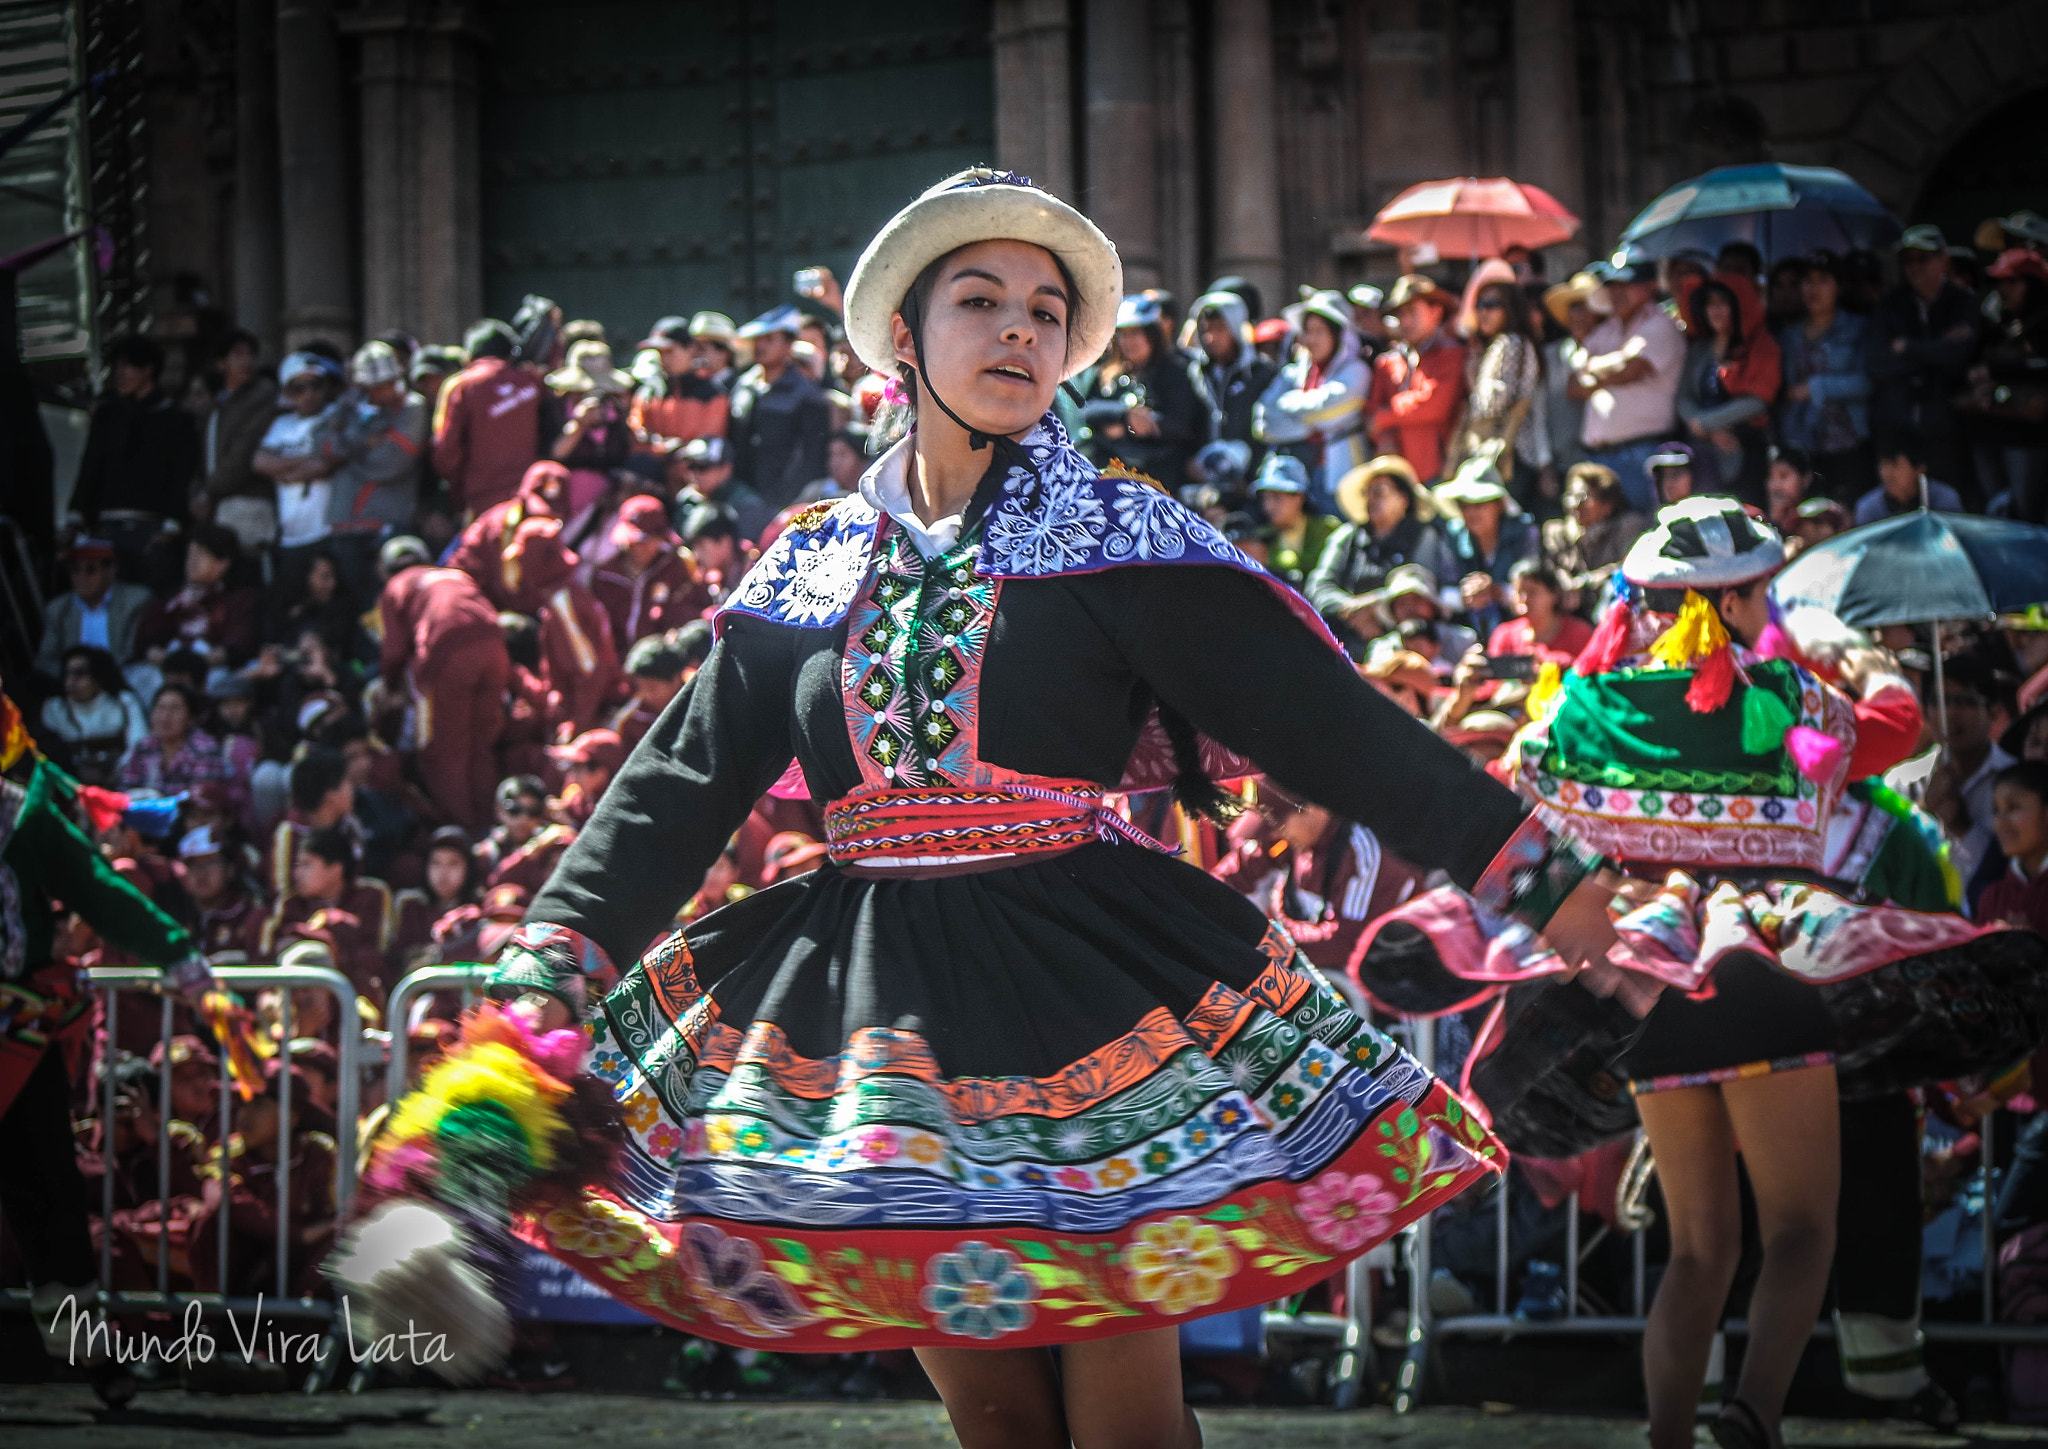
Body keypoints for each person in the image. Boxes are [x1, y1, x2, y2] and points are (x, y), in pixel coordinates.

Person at [458, 168, 1624, 1444]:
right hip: (877, 1028)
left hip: (1087, 1007)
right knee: (1003, 1428)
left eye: (1044, 310)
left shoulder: (1115, 539)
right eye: (979, 299)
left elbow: (1327, 726)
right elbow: (676, 785)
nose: (1020, 328)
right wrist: (547, 972)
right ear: (902, 338)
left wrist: (1530, 870)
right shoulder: (809, 561)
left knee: (1128, 1431)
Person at [0, 690, 215, 1405]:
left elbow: (93, 886)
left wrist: (178, 953)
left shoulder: (20, 809)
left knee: (48, 1193)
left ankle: (93, 1356)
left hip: (14, 1029)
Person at [375, 535, 511, 833]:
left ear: (385, 571)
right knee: (480, 744)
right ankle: (491, 826)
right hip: (495, 648)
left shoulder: (395, 587)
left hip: (445, 656)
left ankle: (464, 835)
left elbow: (394, 650)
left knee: (442, 753)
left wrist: (390, 684)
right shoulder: (455, 575)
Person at [67, 335, 201, 581]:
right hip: (106, 525)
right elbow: (90, 467)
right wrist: (76, 515)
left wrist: (173, 523)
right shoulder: (107, 416)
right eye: (117, 367)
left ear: (147, 369)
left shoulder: (175, 420)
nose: (120, 374)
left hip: (152, 528)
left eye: (126, 366)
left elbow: (181, 474)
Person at [1306, 455, 1457, 656]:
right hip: (1346, 633)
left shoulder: (1424, 536)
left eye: (1379, 492)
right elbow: (1318, 587)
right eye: (1367, 493)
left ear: (1403, 499)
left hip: (1406, 641)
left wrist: (1377, 608)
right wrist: (1351, 608)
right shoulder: (1347, 537)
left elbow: (1423, 592)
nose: (1370, 499)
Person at [1868, 225, 1980, 496]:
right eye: (1908, 260)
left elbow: (1960, 357)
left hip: (1946, 430)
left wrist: (1906, 346)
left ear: (1944, 260)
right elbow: (1878, 364)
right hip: (1897, 428)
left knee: (1948, 504)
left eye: (1923, 259)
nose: (1914, 267)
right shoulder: (1890, 304)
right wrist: (1937, 347)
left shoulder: (1963, 301)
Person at [1573, 256, 1685, 513]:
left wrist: (1593, 368)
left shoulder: (1661, 325)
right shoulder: (1608, 329)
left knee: (1642, 532)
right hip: (1598, 456)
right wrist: (1615, 361)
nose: (1617, 292)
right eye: (1612, 285)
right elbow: (1573, 382)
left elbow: (1630, 369)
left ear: (1650, 286)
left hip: (1642, 453)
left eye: (1627, 284)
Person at [1255, 289, 1373, 513]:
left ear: (1339, 335)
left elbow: (1324, 409)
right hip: (1295, 481)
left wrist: (1289, 411)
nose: (1311, 339)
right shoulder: (1293, 373)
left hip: (1338, 481)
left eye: (1320, 331)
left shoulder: (1357, 372)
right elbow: (1262, 422)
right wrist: (1311, 424)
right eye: (1308, 331)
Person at [1076, 294, 1205, 490]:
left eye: (1136, 333)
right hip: (1110, 475)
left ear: (1153, 334)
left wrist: (1139, 427)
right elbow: (1085, 410)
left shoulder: (1176, 372)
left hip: (1160, 478)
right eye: (1123, 334)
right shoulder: (1107, 373)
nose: (1128, 341)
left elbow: (1185, 426)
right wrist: (1124, 415)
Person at [1775, 252, 1873, 503]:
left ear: (1839, 287)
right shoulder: (1789, 336)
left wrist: (1815, 388)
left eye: (1822, 280)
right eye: (1807, 281)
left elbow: (1868, 381)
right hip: (1802, 445)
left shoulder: (1860, 328)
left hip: (1848, 443)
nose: (1813, 288)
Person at [1963, 248, 2048, 523]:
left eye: (2012, 282)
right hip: (1989, 433)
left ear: (2033, 285)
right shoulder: (1996, 323)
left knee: (2026, 518)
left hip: (2028, 441)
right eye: (2000, 282)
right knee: (1994, 518)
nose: (2003, 289)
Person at [1676, 276, 1780, 498]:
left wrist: (1706, 423)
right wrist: (1705, 430)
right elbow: (1683, 398)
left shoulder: (1760, 346)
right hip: (1704, 453)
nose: (1715, 310)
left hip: (1746, 451)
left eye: (1722, 303)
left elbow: (1758, 400)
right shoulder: (1698, 349)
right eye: (1710, 303)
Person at [432, 319, 544, 518]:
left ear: (469, 356)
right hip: (530, 499)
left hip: (482, 504)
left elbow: (446, 454)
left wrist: (457, 495)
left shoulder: (461, 386)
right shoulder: (532, 380)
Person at [1363, 275, 1467, 486]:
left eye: (1411, 312)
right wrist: (1384, 434)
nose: (1405, 321)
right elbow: (1370, 414)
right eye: (1401, 314)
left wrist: (1386, 416)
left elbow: (1434, 405)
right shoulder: (1387, 362)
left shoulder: (1452, 355)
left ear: (1436, 312)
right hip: (1395, 477)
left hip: (1439, 471)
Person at [728, 305, 831, 516]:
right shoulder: (743, 387)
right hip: (740, 498)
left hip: (784, 502)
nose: (760, 346)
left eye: (769, 339)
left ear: (789, 344)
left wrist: (785, 497)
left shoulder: (807, 395)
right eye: (758, 339)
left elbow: (812, 456)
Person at [1448, 280, 1542, 488]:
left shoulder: (1511, 342)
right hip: (1496, 451)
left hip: (1510, 452)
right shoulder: (1494, 346)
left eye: (1491, 305)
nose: (1482, 312)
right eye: (1479, 305)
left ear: (1510, 308)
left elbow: (1492, 404)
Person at [1435, 453, 1539, 640]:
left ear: (1499, 504)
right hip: (1469, 631)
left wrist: (1497, 592)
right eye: (1465, 506)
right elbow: (1445, 592)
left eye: (1479, 504)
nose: (1471, 512)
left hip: (1522, 628)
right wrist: (1466, 596)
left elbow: (1535, 590)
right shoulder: (1453, 535)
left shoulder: (1525, 532)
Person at [133, 522, 261, 673]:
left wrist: (193, 665)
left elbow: (236, 648)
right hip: (165, 669)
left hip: (213, 670)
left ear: (222, 563)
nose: (192, 561)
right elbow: (147, 642)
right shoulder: (170, 598)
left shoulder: (239, 599)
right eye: (190, 554)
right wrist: (166, 660)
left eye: (201, 555)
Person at [590, 495, 710, 648]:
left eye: (647, 541)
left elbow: (693, 614)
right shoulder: (605, 576)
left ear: (661, 539)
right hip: (617, 663)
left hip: (663, 661)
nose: (638, 547)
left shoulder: (676, 568)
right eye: (633, 541)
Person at [202, 329, 283, 551]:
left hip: (250, 502)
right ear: (221, 363)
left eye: (250, 354)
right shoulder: (218, 406)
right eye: (238, 354)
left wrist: (207, 492)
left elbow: (243, 452)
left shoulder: (263, 395)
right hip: (218, 504)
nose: (246, 361)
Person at [34, 538, 153, 684]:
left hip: (121, 680)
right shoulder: (58, 609)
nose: (81, 577)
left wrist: (98, 676)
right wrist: (74, 676)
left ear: (111, 570)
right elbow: (45, 659)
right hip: (72, 685)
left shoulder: (135, 601)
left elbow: (131, 653)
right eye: (75, 569)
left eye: (90, 569)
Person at [1540, 461, 1649, 618]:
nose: (1575, 504)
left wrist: (1585, 583)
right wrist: (1564, 583)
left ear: (1607, 505)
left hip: (1614, 610)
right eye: (1571, 496)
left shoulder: (1627, 526)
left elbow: (1627, 567)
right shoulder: (1557, 532)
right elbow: (1550, 568)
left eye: (1583, 497)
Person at [1534, 271, 1610, 489]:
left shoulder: (1613, 351)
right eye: (1574, 307)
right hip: (1561, 465)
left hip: (1605, 460)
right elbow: (1539, 414)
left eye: (1586, 306)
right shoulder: (1549, 356)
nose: (1579, 315)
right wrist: (1544, 465)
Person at [1185, 288, 1278, 456]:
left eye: (1220, 329)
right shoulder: (1194, 373)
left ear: (1235, 328)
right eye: (1206, 330)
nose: (1211, 338)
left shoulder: (1262, 374)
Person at [40, 646, 146, 788]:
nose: (71, 681)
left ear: (98, 675)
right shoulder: (54, 708)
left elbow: (139, 745)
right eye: (67, 674)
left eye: (79, 673)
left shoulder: (123, 702)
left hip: (121, 782)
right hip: (72, 785)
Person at [629, 315, 730, 461]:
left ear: (691, 348)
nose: (664, 359)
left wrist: (675, 449)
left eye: (669, 351)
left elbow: (709, 445)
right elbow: (636, 437)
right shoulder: (649, 392)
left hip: (694, 475)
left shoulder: (714, 393)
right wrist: (663, 448)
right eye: (660, 352)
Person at [117, 683, 231, 796]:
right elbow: (126, 789)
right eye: (161, 708)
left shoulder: (204, 750)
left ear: (191, 718)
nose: (165, 716)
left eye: (175, 709)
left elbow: (202, 798)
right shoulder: (144, 746)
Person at [608, 625, 708, 751]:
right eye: (640, 686)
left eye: (652, 687)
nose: (646, 694)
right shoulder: (633, 720)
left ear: (676, 679)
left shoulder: (702, 700)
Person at [1250, 453, 1336, 589]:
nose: (1268, 506)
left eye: (1276, 497)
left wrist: (1270, 559)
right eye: (1265, 499)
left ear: (1299, 497)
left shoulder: (1328, 528)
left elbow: (1321, 562)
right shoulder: (1261, 537)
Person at [1487, 560, 1592, 671]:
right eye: (1520, 592)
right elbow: (1492, 683)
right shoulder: (1505, 635)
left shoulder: (1579, 633)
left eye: (1533, 592)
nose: (1525, 599)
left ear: (1554, 594)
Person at [1982, 761, 2048, 933]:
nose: (2001, 822)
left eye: (2013, 807)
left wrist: (2032, 946)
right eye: (1996, 810)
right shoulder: (1992, 899)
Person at [671, 434, 771, 543]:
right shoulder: (686, 499)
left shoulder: (747, 506)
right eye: (690, 466)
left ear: (726, 469)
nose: (694, 474)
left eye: (702, 467)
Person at [1853, 434, 1963, 525]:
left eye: (1895, 465)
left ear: (1920, 468)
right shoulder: (1868, 508)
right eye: (1884, 464)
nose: (1886, 473)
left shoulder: (1945, 499)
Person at [1764, 442, 1819, 536]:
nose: (1775, 485)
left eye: (1784, 476)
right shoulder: (1761, 522)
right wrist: (1774, 521)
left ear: (1806, 478)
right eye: (1770, 477)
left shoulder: (1820, 515)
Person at [1646, 442, 1700, 508]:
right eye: (1663, 476)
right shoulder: (1659, 516)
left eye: (1676, 474)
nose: (1669, 483)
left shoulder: (1711, 513)